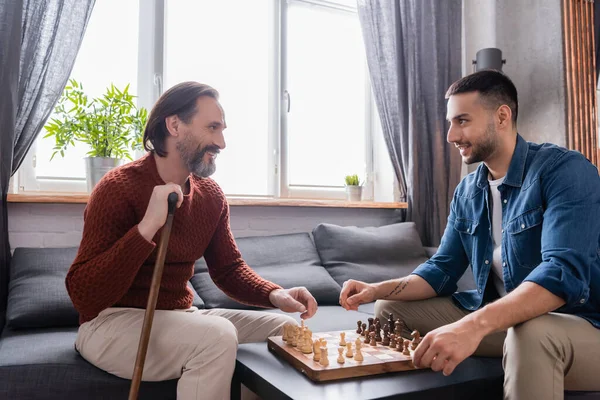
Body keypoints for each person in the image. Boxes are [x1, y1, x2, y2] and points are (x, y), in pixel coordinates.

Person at [339, 70, 600, 399]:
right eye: (450, 122)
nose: (450, 135)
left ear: (501, 117)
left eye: (461, 121)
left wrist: (474, 325)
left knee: (532, 333)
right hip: (510, 321)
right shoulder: (468, 191)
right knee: (389, 309)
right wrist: (376, 289)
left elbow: (563, 273)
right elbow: (442, 269)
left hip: (581, 323)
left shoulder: (564, 170)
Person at [65, 81, 318, 400]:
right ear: (174, 125)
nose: (222, 142)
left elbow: (228, 269)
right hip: (109, 323)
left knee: (288, 332)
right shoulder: (118, 188)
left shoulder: (210, 196)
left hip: (180, 318)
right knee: (216, 336)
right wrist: (147, 227)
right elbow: (83, 295)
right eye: (212, 128)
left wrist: (276, 294)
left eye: (223, 130)